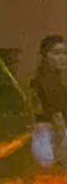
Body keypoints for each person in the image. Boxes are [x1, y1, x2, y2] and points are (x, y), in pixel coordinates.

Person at [29, 34, 67, 169]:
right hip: (48, 138)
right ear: (45, 57)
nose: (62, 58)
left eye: (65, 53)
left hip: (47, 138)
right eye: (56, 53)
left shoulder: (56, 82)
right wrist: (61, 153)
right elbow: (58, 119)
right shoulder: (47, 83)